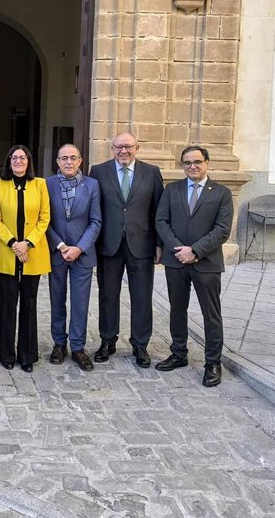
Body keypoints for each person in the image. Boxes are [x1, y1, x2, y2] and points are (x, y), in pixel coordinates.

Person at [155, 145, 233, 387]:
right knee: (177, 309)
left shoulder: (221, 193)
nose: (192, 166)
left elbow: (222, 230)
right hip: (176, 261)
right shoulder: (172, 189)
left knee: (211, 314)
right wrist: (179, 249)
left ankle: (213, 362)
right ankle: (179, 353)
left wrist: (196, 250)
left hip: (206, 263)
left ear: (207, 162)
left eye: (197, 161)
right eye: (187, 162)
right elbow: (161, 221)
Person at [89, 132, 164, 368]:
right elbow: (94, 208)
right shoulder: (98, 172)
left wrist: (160, 244)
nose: (124, 151)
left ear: (137, 147)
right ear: (112, 148)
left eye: (128, 146)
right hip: (108, 245)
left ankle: (140, 345)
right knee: (108, 295)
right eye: (119, 147)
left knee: (141, 297)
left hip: (141, 245)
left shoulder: (152, 173)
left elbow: (159, 212)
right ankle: (107, 340)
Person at [0, 145, 51, 372]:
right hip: (7, 251)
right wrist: (14, 243)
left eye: (22, 157)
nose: (18, 161)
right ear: (8, 161)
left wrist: (28, 242)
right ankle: (6, 353)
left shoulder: (40, 184)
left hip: (32, 253)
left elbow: (45, 217)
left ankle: (27, 354)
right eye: (14, 157)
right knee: (7, 304)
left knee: (29, 303)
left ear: (29, 161)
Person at [47, 144, 102, 371]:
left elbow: (96, 221)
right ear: (57, 161)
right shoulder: (46, 184)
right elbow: (43, 219)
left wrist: (79, 248)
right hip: (57, 252)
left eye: (73, 158)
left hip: (82, 254)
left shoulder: (92, 185)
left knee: (80, 302)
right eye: (64, 158)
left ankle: (78, 347)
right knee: (57, 300)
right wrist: (60, 245)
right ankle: (59, 344)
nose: (68, 162)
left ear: (80, 161)